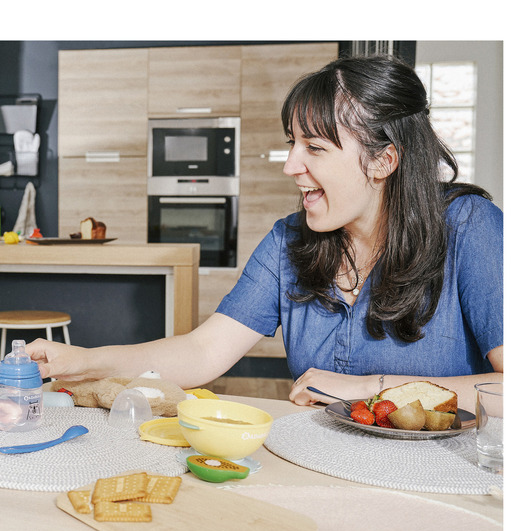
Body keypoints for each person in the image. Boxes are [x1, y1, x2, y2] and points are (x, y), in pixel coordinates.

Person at [26, 55, 503, 413]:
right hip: (320, 465)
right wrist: (80, 361)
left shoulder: (470, 228)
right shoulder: (289, 241)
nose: (292, 166)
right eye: (292, 143)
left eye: (314, 147)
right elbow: (202, 351)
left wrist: (370, 386)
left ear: (383, 160)